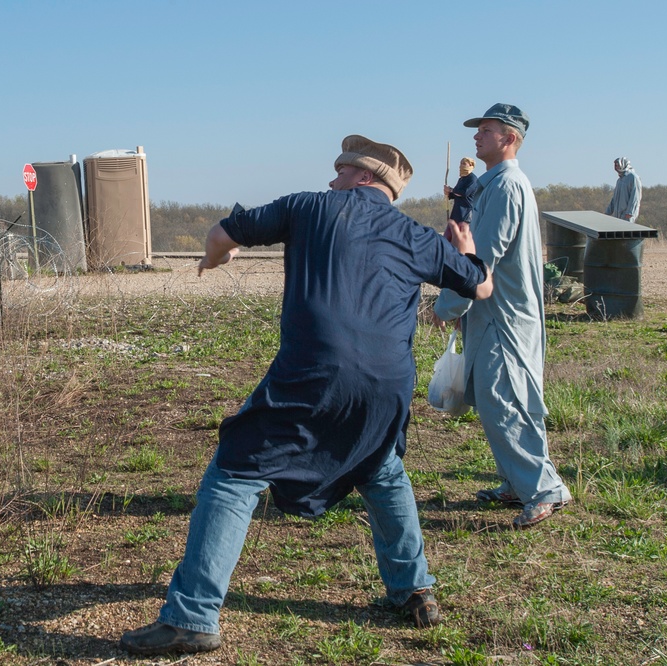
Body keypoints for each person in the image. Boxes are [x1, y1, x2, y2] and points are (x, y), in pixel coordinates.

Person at [120, 135, 493, 656]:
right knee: (380, 468)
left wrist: (213, 259)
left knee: (234, 472)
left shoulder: (307, 207)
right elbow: (479, 286)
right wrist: (464, 245)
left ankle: (192, 616)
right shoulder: (413, 235)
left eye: (340, 171)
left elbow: (222, 232)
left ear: (363, 178)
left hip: (314, 374)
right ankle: (414, 591)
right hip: (386, 386)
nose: (332, 179)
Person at [432, 103, 572, 529]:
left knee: (506, 400)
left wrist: (449, 305)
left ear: (509, 138)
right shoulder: (493, 184)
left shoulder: (507, 186)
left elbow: (483, 256)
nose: (477, 137)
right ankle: (517, 481)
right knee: (500, 399)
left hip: (504, 315)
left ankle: (543, 489)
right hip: (493, 311)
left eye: (486, 131)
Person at [442, 157, 479, 240]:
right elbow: (455, 194)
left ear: (470, 165)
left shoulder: (472, 179)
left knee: (460, 237)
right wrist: (449, 193)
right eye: (461, 163)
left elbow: (464, 193)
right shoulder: (461, 179)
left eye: (464, 164)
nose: (461, 166)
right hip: (456, 212)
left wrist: (451, 190)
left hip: (465, 213)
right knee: (449, 236)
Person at [605, 157, 642, 223]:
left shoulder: (633, 177)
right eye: (615, 165)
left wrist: (630, 212)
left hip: (627, 215)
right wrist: (607, 213)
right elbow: (614, 199)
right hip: (618, 215)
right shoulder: (619, 181)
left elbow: (635, 196)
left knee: (626, 232)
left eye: (617, 164)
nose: (616, 167)